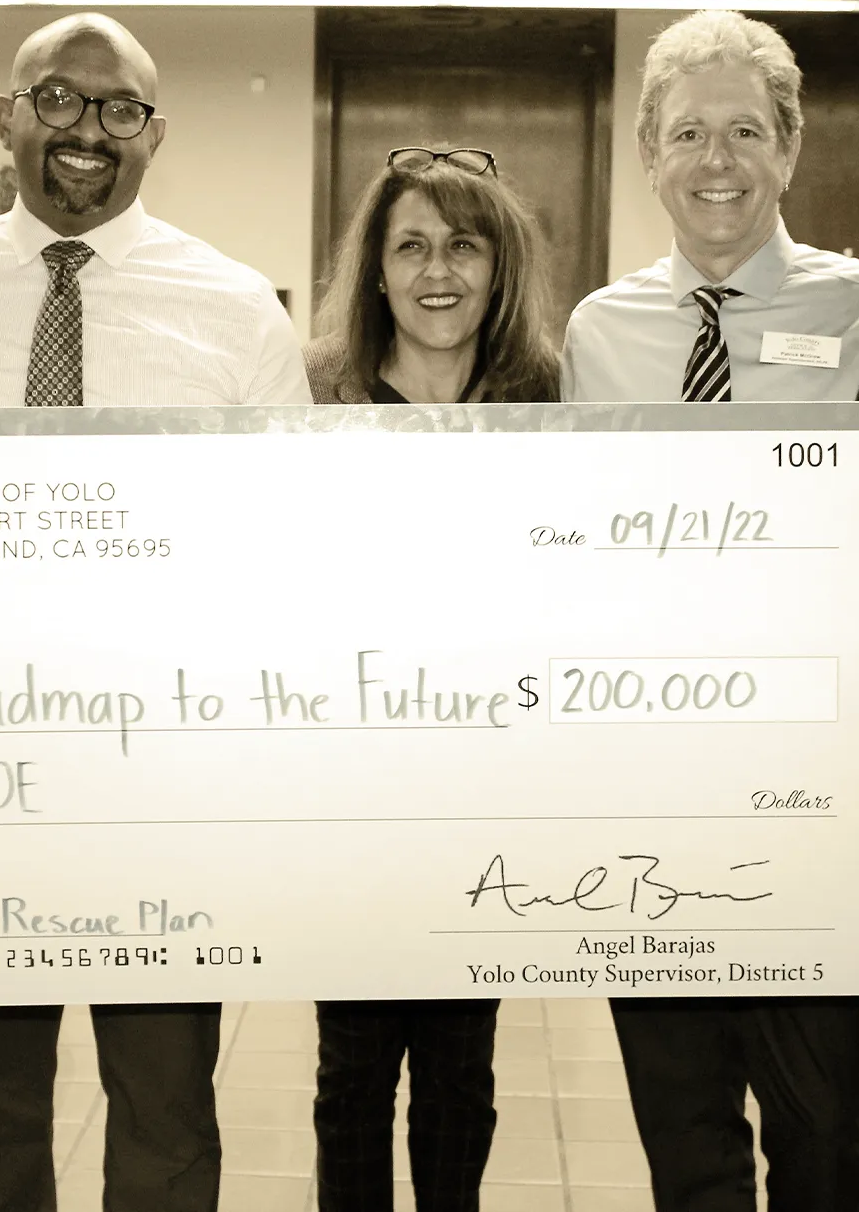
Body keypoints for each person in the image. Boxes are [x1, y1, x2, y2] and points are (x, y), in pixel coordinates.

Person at [0, 12, 309, 1212]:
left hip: (168, 772)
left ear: (154, 134)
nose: (85, 131)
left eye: (117, 110)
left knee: (166, 1103)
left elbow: (292, 542)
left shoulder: (235, 313)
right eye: (56, 100)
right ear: (7, 117)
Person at [562, 10, 859, 1212]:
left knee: (820, 1141)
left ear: (789, 147)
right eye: (688, 132)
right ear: (647, 150)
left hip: (813, 787)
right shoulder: (595, 333)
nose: (717, 161)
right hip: (650, 785)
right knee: (684, 1140)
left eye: (745, 130)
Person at [305, 146, 559, 1210]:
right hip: (348, 797)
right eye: (408, 245)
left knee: (462, 1078)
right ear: (374, 271)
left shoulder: (551, 406)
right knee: (350, 1078)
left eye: (463, 245)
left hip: (483, 801)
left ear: (498, 269)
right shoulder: (311, 404)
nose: (435, 270)